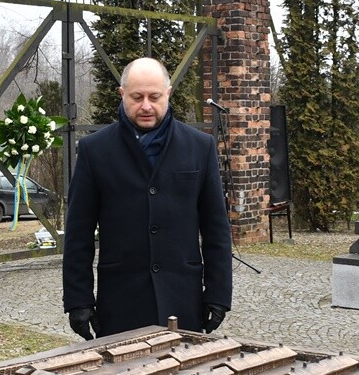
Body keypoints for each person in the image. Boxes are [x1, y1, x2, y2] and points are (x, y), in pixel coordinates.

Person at [62, 57, 233, 338]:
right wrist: (78, 299)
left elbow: (216, 229)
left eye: (154, 97)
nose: (145, 106)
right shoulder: (95, 150)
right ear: (122, 94)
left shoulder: (199, 147)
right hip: (120, 299)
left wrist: (218, 293)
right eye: (136, 97)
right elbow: (78, 233)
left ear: (168, 94)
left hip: (183, 298)